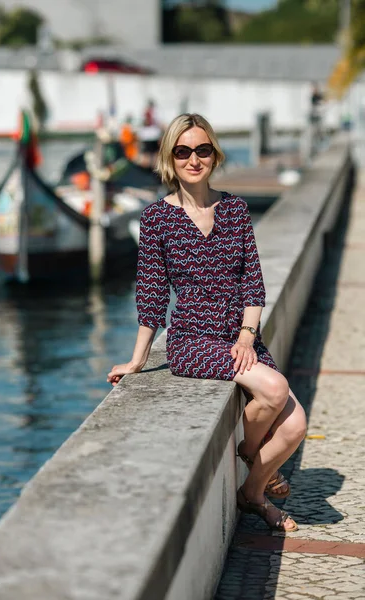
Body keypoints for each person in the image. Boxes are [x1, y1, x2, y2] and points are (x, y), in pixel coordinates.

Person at [107, 113, 307, 532]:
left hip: (237, 337)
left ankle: (251, 493)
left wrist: (247, 337)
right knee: (274, 388)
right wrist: (137, 360)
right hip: (192, 340)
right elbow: (151, 298)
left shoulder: (234, 208)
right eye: (182, 151)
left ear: (214, 154)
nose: (193, 159)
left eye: (202, 150)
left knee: (295, 426)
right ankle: (253, 457)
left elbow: (253, 285)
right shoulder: (156, 219)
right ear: (169, 159)